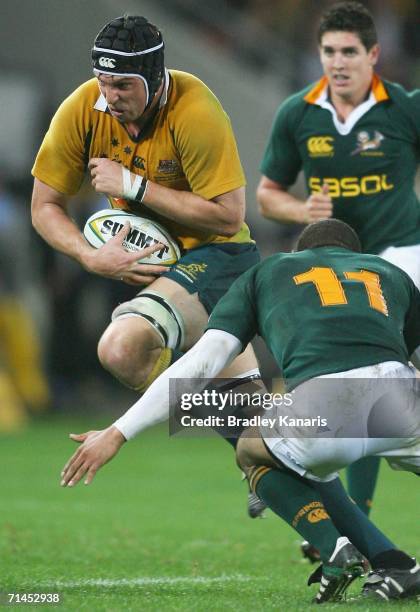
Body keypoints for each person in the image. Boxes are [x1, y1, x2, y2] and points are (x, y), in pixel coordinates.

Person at [60, 219, 420, 603]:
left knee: (250, 449)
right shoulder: (388, 274)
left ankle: (334, 550)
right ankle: (393, 563)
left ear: (300, 253)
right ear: (354, 256)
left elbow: (201, 364)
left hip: (324, 404)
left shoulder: (269, 271)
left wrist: (118, 432)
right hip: (401, 398)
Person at [31, 15, 264, 506]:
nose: (111, 95)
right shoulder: (82, 109)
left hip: (219, 257)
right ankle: (312, 502)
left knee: (121, 348)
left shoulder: (194, 107)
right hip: (160, 268)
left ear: (155, 77)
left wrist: (134, 185)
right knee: (259, 438)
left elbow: (228, 216)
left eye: (123, 85)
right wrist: (87, 256)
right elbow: (44, 206)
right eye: (103, 81)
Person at [256, 0, 420, 521]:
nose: (338, 62)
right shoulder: (297, 114)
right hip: (333, 264)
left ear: (373, 54)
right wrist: (302, 208)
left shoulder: (404, 109)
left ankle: (345, 505)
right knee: (338, 377)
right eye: (329, 51)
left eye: (349, 51)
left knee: (377, 379)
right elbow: (266, 195)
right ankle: (317, 485)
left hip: (401, 254)